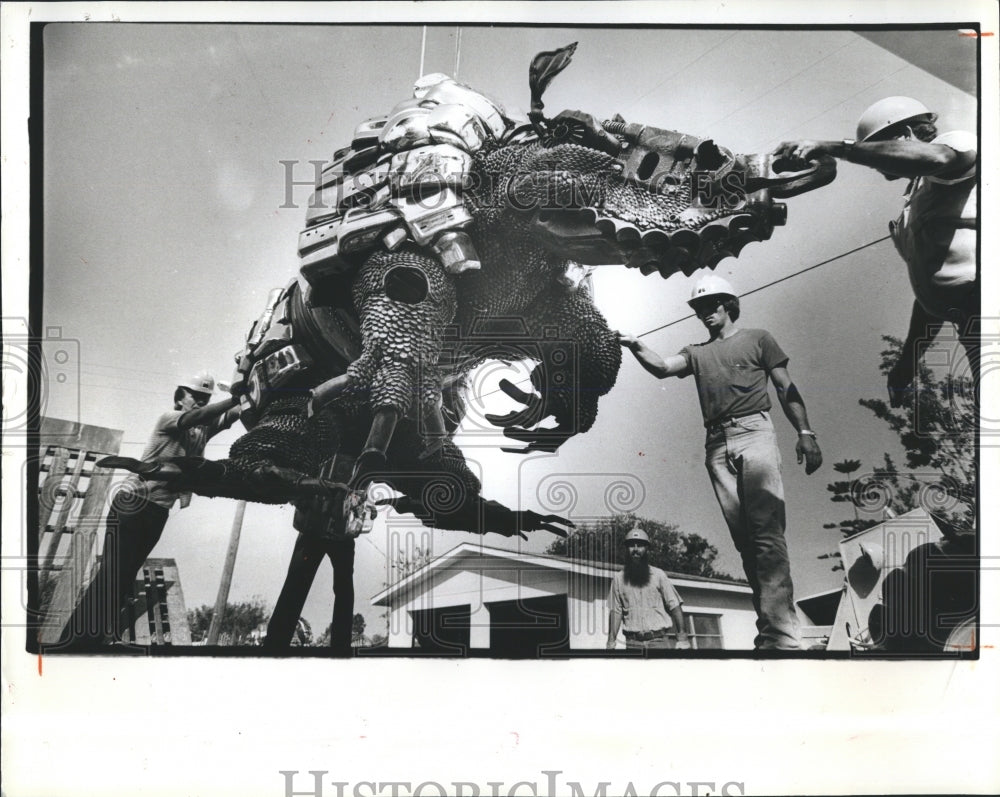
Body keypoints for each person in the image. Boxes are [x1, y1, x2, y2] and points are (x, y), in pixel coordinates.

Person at [617, 274, 822, 650]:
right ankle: (769, 631)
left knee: (766, 535)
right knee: (746, 544)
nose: (704, 312)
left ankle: (784, 637)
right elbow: (662, 367)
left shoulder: (758, 338)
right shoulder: (696, 352)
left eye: (710, 304)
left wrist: (805, 433)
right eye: (698, 307)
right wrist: (634, 344)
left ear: (729, 304)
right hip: (716, 444)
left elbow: (784, 386)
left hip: (754, 433)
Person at [772, 96, 978, 405]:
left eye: (877, 149)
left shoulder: (953, 144)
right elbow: (930, 296)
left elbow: (937, 158)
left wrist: (836, 148)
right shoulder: (914, 205)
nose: (875, 164)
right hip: (971, 324)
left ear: (905, 134)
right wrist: (908, 363)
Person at [60, 372, 241, 648]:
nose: (200, 401)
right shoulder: (169, 419)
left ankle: (94, 641)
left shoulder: (201, 430)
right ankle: (74, 642)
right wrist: (233, 399)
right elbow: (200, 416)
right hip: (133, 503)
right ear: (180, 398)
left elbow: (233, 414)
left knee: (124, 578)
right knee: (113, 574)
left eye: (205, 398)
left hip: (158, 511)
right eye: (195, 396)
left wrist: (249, 394)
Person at [263, 533, 356, 654]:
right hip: (317, 530)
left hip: (329, 531)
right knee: (296, 584)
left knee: (342, 590)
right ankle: (274, 646)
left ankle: (275, 645)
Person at [607, 526, 691, 651]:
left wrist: (682, 638)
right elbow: (616, 612)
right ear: (626, 549)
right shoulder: (618, 579)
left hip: (658, 642)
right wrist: (610, 642)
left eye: (640, 545)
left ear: (647, 549)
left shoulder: (659, 575)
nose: (635, 549)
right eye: (631, 545)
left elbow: (675, 606)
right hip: (632, 643)